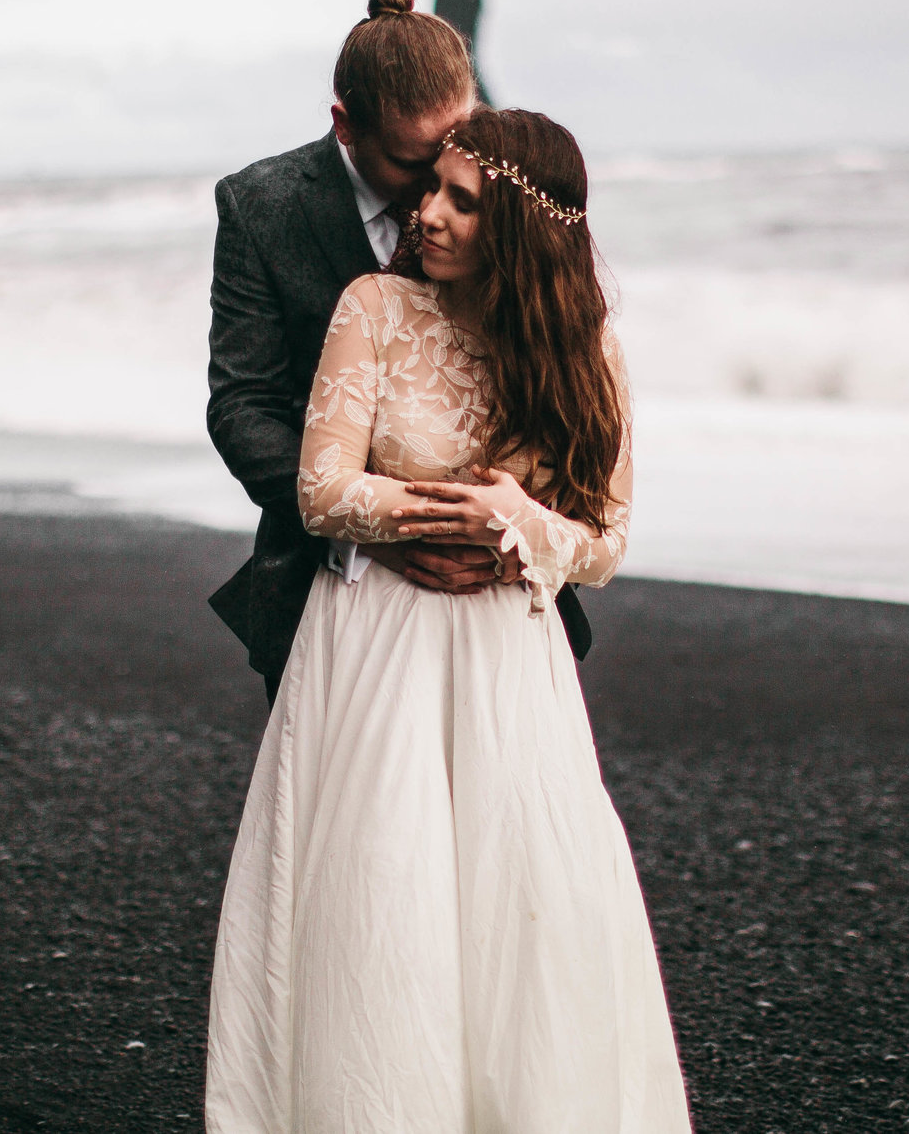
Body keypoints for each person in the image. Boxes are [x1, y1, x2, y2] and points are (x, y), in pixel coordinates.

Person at [205, 105, 692, 1133]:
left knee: (530, 908)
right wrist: (427, 513)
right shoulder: (374, 307)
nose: (424, 213)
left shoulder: (582, 349)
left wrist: (520, 519)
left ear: (518, 230)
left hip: (512, 659)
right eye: (429, 189)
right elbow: (321, 488)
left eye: (459, 201)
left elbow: (603, 543)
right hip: (376, 637)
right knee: (383, 897)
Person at [205, 0, 590, 703]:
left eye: (458, 144)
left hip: (497, 594)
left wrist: (517, 529)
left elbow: (555, 376)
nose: (434, 194)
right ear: (345, 125)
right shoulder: (261, 207)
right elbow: (242, 405)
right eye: (415, 164)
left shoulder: (496, 199)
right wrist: (371, 524)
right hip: (328, 580)